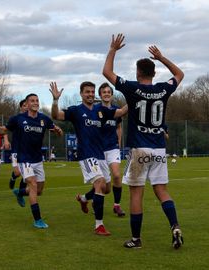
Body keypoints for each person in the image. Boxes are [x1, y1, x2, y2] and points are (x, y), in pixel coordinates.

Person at [103, 33, 184, 249]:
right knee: (162, 191)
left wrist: (113, 49)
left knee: (136, 194)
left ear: (138, 72)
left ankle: (136, 239)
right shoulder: (163, 88)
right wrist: (162, 57)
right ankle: (175, 225)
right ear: (154, 72)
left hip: (139, 151)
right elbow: (179, 73)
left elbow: (107, 73)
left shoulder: (132, 88)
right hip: (158, 149)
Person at [50, 81, 127, 236]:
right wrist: (55, 100)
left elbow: (120, 113)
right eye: (87, 92)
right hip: (86, 154)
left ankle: (85, 199)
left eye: (92, 92)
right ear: (81, 94)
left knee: (106, 188)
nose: (90, 94)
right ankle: (99, 225)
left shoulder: (100, 110)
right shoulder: (76, 111)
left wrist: (134, 98)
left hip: (100, 155)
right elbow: (55, 115)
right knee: (99, 183)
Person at [0, 93, 63, 229]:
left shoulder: (44, 119)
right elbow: (2, 130)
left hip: (37, 159)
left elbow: (57, 131)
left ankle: (20, 192)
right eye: (32, 101)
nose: (35, 103)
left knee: (39, 190)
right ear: (27, 104)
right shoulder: (17, 119)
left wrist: (58, 131)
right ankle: (38, 220)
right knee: (33, 185)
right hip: (24, 159)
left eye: (37, 100)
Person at [76, 83, 126, 217]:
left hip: (112, 147)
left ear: (111, 94)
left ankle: (117, 205)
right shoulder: (95, 110)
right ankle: (86, 198)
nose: (106, 94)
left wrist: (118, 143)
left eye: (109, 92)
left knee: (116, 175)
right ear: (100, 95)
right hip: (97, 150)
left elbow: (119, 127)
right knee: (103, 185)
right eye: (104, 92)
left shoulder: (115, 110)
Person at [9, 99, 28, 189]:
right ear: (21, 107)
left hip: (27, 151)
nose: (26, 107)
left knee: (27, 175)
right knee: (17, 173)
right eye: (24, 105)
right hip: (16, 149)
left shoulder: (33, 119)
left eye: (27, 105)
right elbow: (5, 129)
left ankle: (21, 193)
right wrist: (5, 140)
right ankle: (13, 178)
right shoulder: (16, 119)